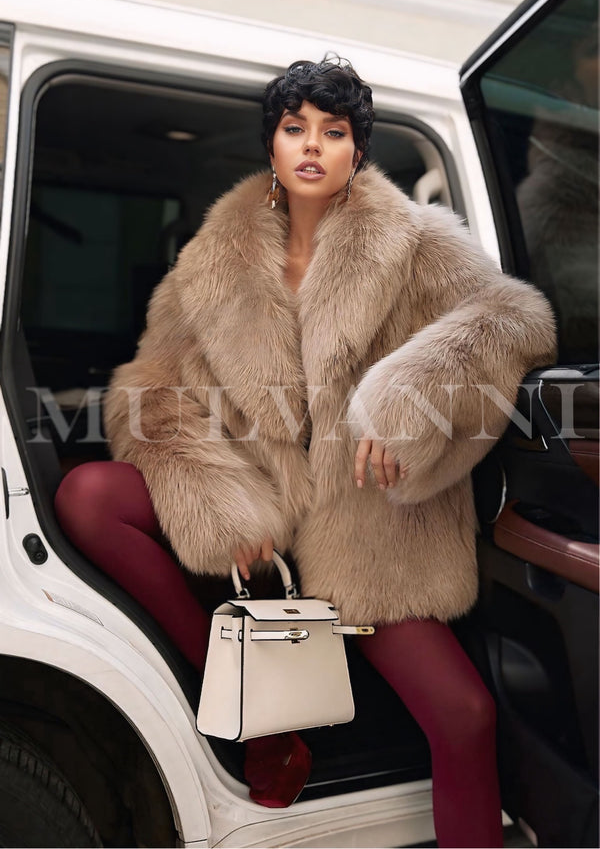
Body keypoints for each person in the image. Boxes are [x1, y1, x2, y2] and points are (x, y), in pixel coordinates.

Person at [55, 57, 556, 846]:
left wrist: (401, 408)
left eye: (335, 131)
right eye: (296, 129)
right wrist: (218, 504)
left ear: (358, 149)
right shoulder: (210, 261)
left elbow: (515, 321)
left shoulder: (417, 244)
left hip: (367, 527)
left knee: (464, 717)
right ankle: (259, 724)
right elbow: (150, 392)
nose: (313, 146)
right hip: (261, 508)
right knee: (89, 495)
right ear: (273, 144)